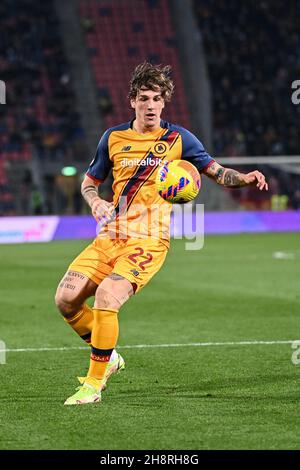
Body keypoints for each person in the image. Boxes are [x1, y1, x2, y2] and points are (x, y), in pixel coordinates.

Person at [55, 62, 268, 405]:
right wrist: (95, 202)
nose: (151, 105)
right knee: (65, 300)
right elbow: (89, 182)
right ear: (132, 101)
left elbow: (214, 171)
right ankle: (109, 356)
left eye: (157, 98)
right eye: (144, 98)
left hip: (149, 240)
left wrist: (241, 178)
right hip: (110, 235)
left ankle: (92, 386)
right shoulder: (112, 138)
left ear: (165, 102)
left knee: (108, 297)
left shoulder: (178, 139)